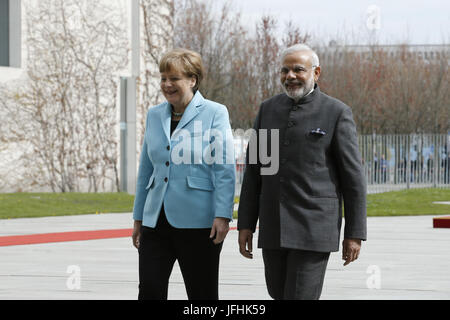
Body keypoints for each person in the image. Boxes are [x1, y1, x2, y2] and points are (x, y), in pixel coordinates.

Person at [237, 44, 367, 300]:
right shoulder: (268, 110)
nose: (290, 75)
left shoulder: (337, 113)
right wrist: (246, 225)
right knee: (277, 293)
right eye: (285, 70)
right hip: (273, 227)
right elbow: (255, 174)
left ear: (316, 73)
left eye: (298, 69)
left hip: (314, 229)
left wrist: (354, 233)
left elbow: (353, 180)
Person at [131, 48, 235, 300]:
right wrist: (138, 217)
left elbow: (224, 167)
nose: (167, 84)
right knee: (149, 291)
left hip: (199, 222)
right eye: (163, 78)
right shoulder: (154, 114)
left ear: (192, 80)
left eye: (174, 78)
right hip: (155, 222)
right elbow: (146, 169)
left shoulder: (215, 112)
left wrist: (223, 214)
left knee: (202, 295)